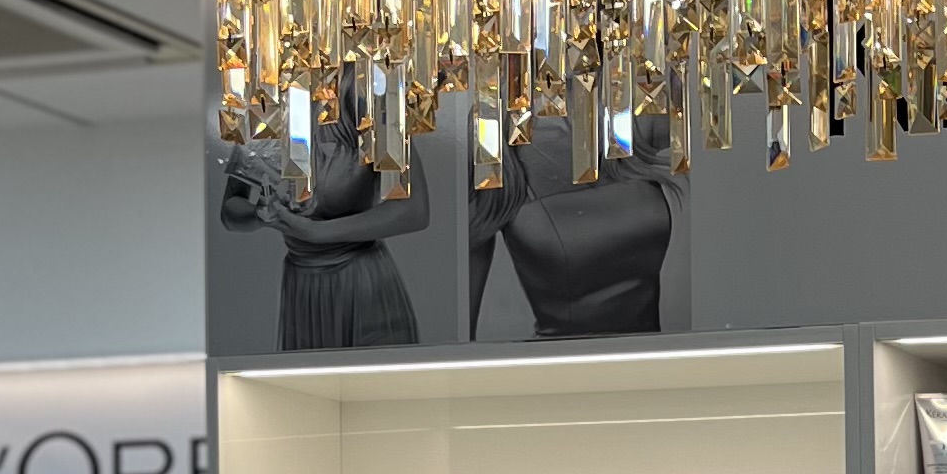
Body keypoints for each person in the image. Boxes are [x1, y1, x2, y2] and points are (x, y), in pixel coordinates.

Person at [216, 105, 426, 348]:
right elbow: (230, 209)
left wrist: (315, 232)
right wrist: (259, 214)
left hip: (363, 284)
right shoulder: (265, 106)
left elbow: (414, 210)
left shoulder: (370, 102)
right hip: (302, 289)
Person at [470, 110, 683, 338]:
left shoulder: (634, 114)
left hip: (654, 353)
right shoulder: (491, 127)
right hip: (563, 356)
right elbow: (461, 329)